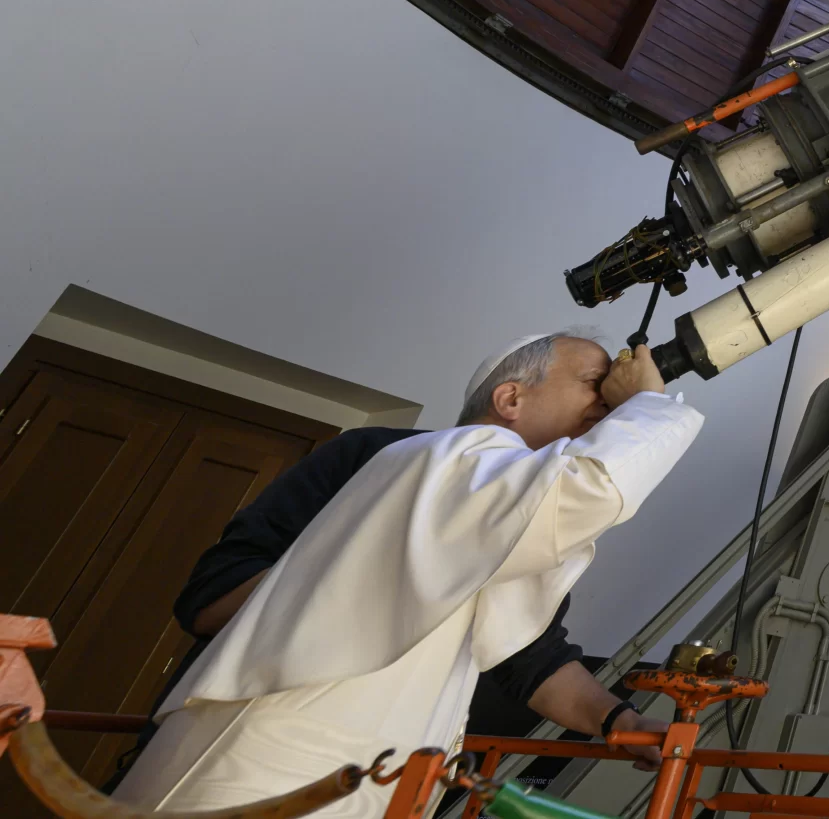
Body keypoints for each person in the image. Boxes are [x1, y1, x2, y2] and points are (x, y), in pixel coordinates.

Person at [117, 333, 702, 817]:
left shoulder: (501, 512)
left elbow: (522, 653)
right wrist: (649, 404)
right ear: (510, 398)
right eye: (594, 384)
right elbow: (591, 487)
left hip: (372, 783)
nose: (609, 403)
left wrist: (619, 721)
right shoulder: (433, 459)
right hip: (271, 768)